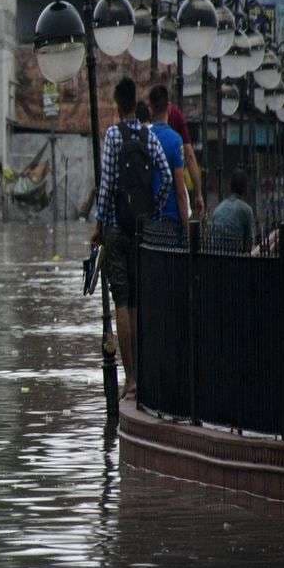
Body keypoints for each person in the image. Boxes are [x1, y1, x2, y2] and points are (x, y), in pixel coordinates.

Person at [91, 76, 172, 401]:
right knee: (138, 301)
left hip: (115, 229)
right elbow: (165, 176)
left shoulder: (112, 136)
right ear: (134, 103)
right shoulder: (148, 134)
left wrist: (100, 225)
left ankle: (131, 380)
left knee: (121, 302)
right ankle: (144, 372)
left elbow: (107, 185)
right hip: (141, 228)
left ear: (116, 103)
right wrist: (152, 209)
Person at [148, 85, 190, 227]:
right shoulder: (175, 140)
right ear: (169, 107)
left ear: (151, 108)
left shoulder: (144, 138)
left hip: (149, 221)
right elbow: (180, 190)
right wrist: (186, 227)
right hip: (171, 219)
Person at [167, 102, 205, 217]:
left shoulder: (146, 116)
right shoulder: (174, 113)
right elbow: (189, 156)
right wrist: (199, 194)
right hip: (174, 192)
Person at [211, 168, 256, 252]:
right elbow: (249, 242)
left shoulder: (218, 208)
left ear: (230, 186)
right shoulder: (246, 210)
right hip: (236, 258)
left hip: (217, 256)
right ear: (245, 188)